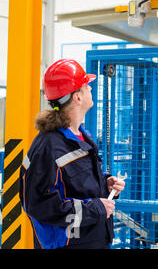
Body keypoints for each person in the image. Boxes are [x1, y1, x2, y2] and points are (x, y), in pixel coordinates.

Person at [19, 59, 125, 249]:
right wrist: (94, 209)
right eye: (86, 86)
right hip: (68, 244)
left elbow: (76, 185)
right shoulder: (48, 147)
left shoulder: (81, 136)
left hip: (94, 239)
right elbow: (38, 204)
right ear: (77, 97)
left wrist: (106, 184)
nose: (91, 90)